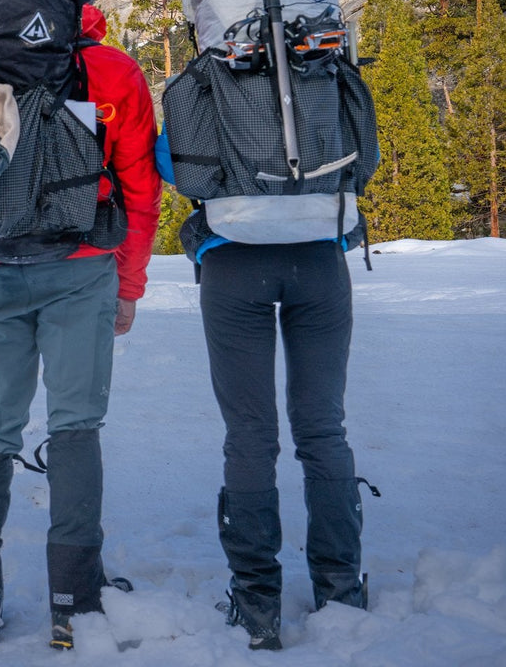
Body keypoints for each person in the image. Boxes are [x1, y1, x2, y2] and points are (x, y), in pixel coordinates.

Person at [0, 0, 161, 650]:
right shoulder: (111, 71)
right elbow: (140, 187)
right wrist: (129, 284)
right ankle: (74, 600)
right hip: (82, 265)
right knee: (75, 424)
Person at [157, 136, 367, 651]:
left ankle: (257, 607)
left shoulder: (212, 83)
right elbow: (366, 156)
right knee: (323, 427)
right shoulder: (323, 72)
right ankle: (341, 594)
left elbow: (172, 163)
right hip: (319, 258)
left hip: (234, 261)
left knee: (250, 434)